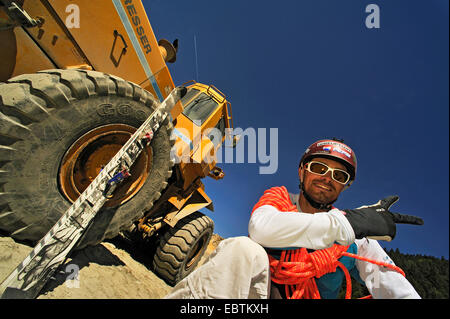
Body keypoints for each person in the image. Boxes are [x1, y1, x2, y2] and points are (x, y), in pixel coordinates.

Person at [164, 138, 424, 299]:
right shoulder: (281, 199)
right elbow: (261, 229)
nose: (327, 178)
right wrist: (345, 224)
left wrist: (350, 226)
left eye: (339, 176)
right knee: (243, 249)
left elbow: (393, 286)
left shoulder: (355, 237)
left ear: (345, 186)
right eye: (319, 168)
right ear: (302, 171)